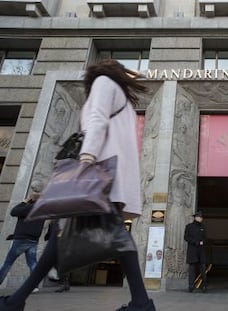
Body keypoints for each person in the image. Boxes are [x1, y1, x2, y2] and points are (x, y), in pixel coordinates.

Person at [0, 59, 155, 311]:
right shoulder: (125, 101)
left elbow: (97, 120)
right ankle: (140, 301)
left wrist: (86, 157)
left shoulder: (103, 83)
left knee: (110, 238)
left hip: (98, 177)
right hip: (111, 180)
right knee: (69, 238)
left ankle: (16, 301)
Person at [0, 192, 45, 293]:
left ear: (31, 199)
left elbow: (13, 211)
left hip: (22, 239)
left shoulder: (28, 208)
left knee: (8, 262)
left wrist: (23, 203)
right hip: (33, 240)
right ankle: (35, 286)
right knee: (32, 263)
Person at [184, 211, 207, 293]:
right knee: (192, 269)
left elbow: (205, 238)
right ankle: (191, 286)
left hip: (201, 251)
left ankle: (204, 285)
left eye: (201, 217)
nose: (201, 218)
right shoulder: (189, 226)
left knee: (203, 268)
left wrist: (202, 242)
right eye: (199, 217)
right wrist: (195, 242)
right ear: (195, 217)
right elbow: (186, 237)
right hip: (192, 250)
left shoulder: (203, 227)